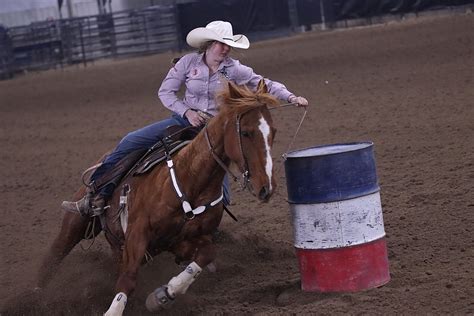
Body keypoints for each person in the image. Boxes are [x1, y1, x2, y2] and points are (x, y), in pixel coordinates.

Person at [62, 20, 308, 217]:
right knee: (130, 142)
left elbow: (265, 83)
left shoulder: (235, 69)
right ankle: (96, 193)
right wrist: (187, 112)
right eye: (220, 44)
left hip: (215, 132)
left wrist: (292, 97)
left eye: (227, 45)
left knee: (223, 198)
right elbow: (165, 92)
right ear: (209, 44)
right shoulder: (188, 63)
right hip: (183, 123)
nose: (225, 49)